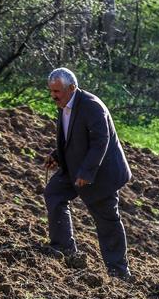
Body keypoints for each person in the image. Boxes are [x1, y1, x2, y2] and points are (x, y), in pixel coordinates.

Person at [42, 68, 133, 280]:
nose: (53, 96)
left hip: (100, 173)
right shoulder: (64, 104)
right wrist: (57, 155)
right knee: (54, 193)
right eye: (51, 91)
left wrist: (87, 172)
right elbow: (73, 138)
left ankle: (119, 270)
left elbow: (100, 142)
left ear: (72, 88)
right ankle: (63, 249)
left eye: (57, 91)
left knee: (107, 219)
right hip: (75, 167)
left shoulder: (92, 106)